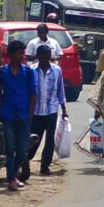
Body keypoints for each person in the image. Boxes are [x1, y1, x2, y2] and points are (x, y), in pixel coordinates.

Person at [0, 39, 36, 190]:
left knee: (23, 151)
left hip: (24, 115)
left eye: (23, 53)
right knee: (10, 149)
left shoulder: (28, 72)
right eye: (19, 53)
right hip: (8, 115)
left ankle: (13, 174)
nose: (22, 56)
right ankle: (11, 178)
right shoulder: (1, 72)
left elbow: (33, 94)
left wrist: (30, 114)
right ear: (11, 54)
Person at [27, 43, 67, 179]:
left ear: (50, 57)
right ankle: (25, 161)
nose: (45, 59)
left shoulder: (57, 70)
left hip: (51, 109)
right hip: (36, 111)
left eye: (47, 56)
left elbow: (60, 90)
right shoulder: (31, 70)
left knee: (50, 140)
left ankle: (45, 166)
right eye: (42, 57)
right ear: (37, 57)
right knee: (34, 138)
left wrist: (64, 108)